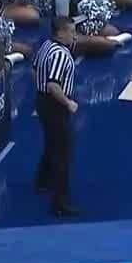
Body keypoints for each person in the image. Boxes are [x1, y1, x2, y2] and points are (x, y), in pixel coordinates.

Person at [34, 18, 80, 218]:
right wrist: (67, 103)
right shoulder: (60, 54)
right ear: (61, 32)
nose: (74, 36)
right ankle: (60, 203)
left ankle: (42, 180)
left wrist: (40, 92)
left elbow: (34, 69)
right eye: (71, 31)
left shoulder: (46, 45)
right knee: (63, 152)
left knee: (51, 143)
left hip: (42, 101)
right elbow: (53, 85)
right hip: (55, 105)